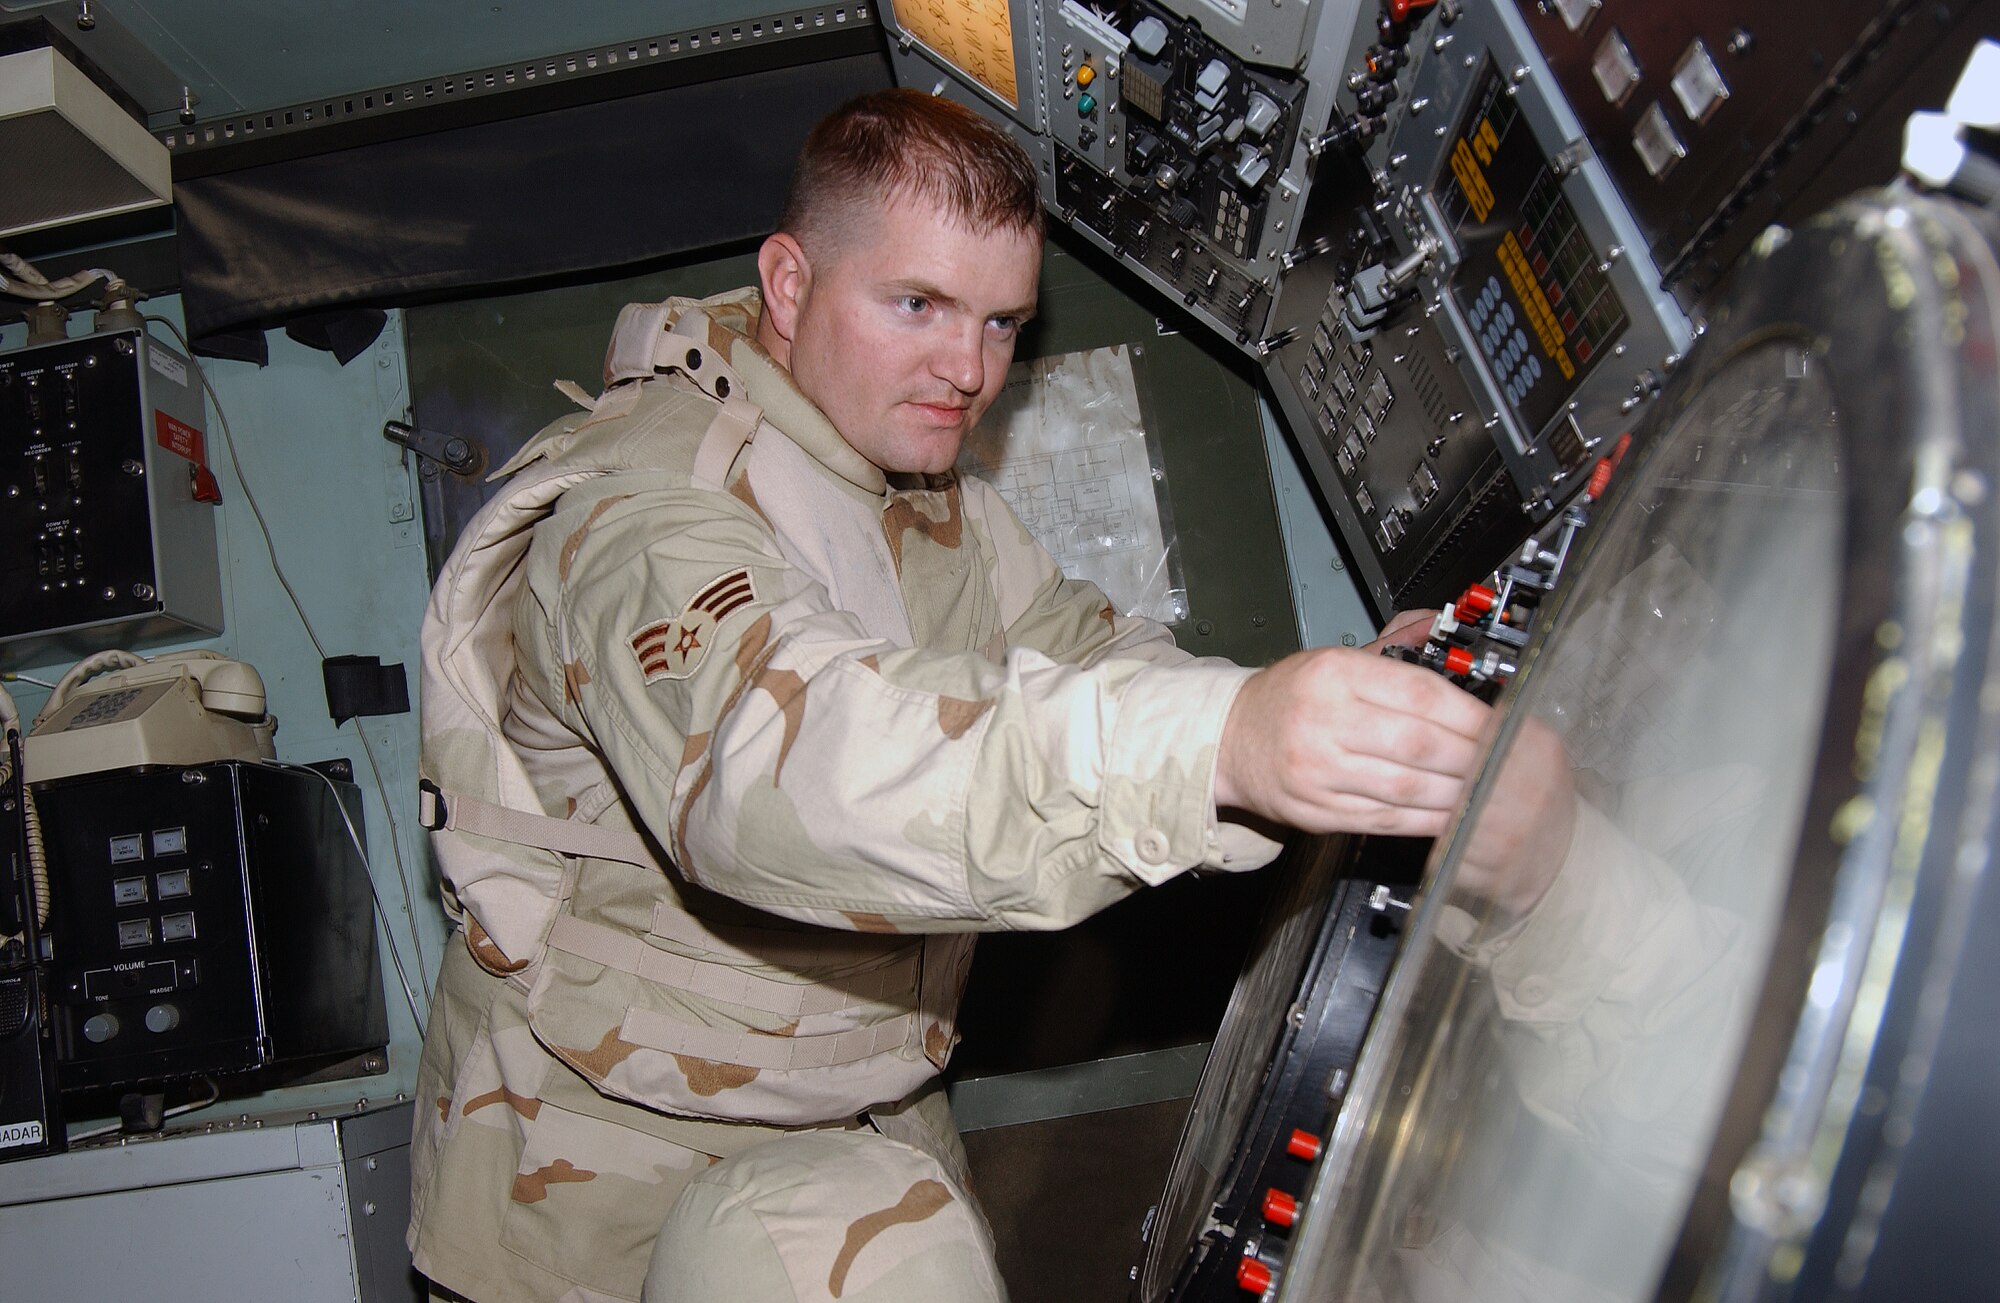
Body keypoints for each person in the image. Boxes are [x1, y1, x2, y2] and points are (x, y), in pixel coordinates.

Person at [407, 88, 1494, 1303]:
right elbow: (784, 767)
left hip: (861, 1100)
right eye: (916, 304)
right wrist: (1222, 750)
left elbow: (1094, 655)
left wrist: (1324, 711)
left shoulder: (931, 504)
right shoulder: (639, 510)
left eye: (1000, 323)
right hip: (607, 1164)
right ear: (787, 282)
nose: (968, 369)